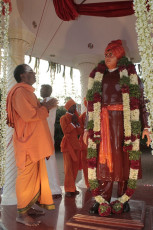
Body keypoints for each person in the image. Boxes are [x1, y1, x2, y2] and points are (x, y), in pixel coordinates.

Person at [85, 40, 151, 215]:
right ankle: (102, 200)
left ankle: (123, 199)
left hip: (124, 125)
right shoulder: (98, 75)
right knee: (104, 163)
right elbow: (90, 104)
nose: (107, 57)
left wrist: (146, 127)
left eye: (111, 54)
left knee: (124, 162)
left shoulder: (131, 76)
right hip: (102, 125)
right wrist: (86, 129)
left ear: (120, 55)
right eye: (106, 54)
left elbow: (142, 103)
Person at [7, 64, 58, 226]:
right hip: (27, 143)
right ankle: (21, 213)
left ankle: (28, 208)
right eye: (31, 72)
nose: (35, 75)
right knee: (26, 177)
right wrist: (47, 107)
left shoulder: (27, 92)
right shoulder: (20, 92)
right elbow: (30, 116)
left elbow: (35, 114)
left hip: (33, 142)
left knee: (34, 177)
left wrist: (43, 107)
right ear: (23, 75)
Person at [40, 84, 62, 199]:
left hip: (47, 135)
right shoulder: (42, 102)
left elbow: (40, 111)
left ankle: (55, 189)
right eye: (41, 89)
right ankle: (46, 188)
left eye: (43, 89)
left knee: (50, 161)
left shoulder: (51, 101)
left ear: (48, 91)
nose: (40, 91)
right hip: (41, 136)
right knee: (44, 163)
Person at [60, 98, 82, 197]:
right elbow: (66, 131)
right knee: (68, 168)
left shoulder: (76, 117)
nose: (74, 108)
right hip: (67, 146)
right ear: (68, 107)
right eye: (73, 106)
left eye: (75, 106)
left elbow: (80, 132)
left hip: (76, 145)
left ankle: (72, 188)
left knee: (75, 168)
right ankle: (68, 189)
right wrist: (73, 123)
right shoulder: (63, 118)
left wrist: (77, 123)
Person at [79, 97, 89, 188]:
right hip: (85, 144)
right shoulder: (82, 116)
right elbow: (80, 130)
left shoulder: (98, 115)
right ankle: (88, 184)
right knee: (86, 165)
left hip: (95, 144)